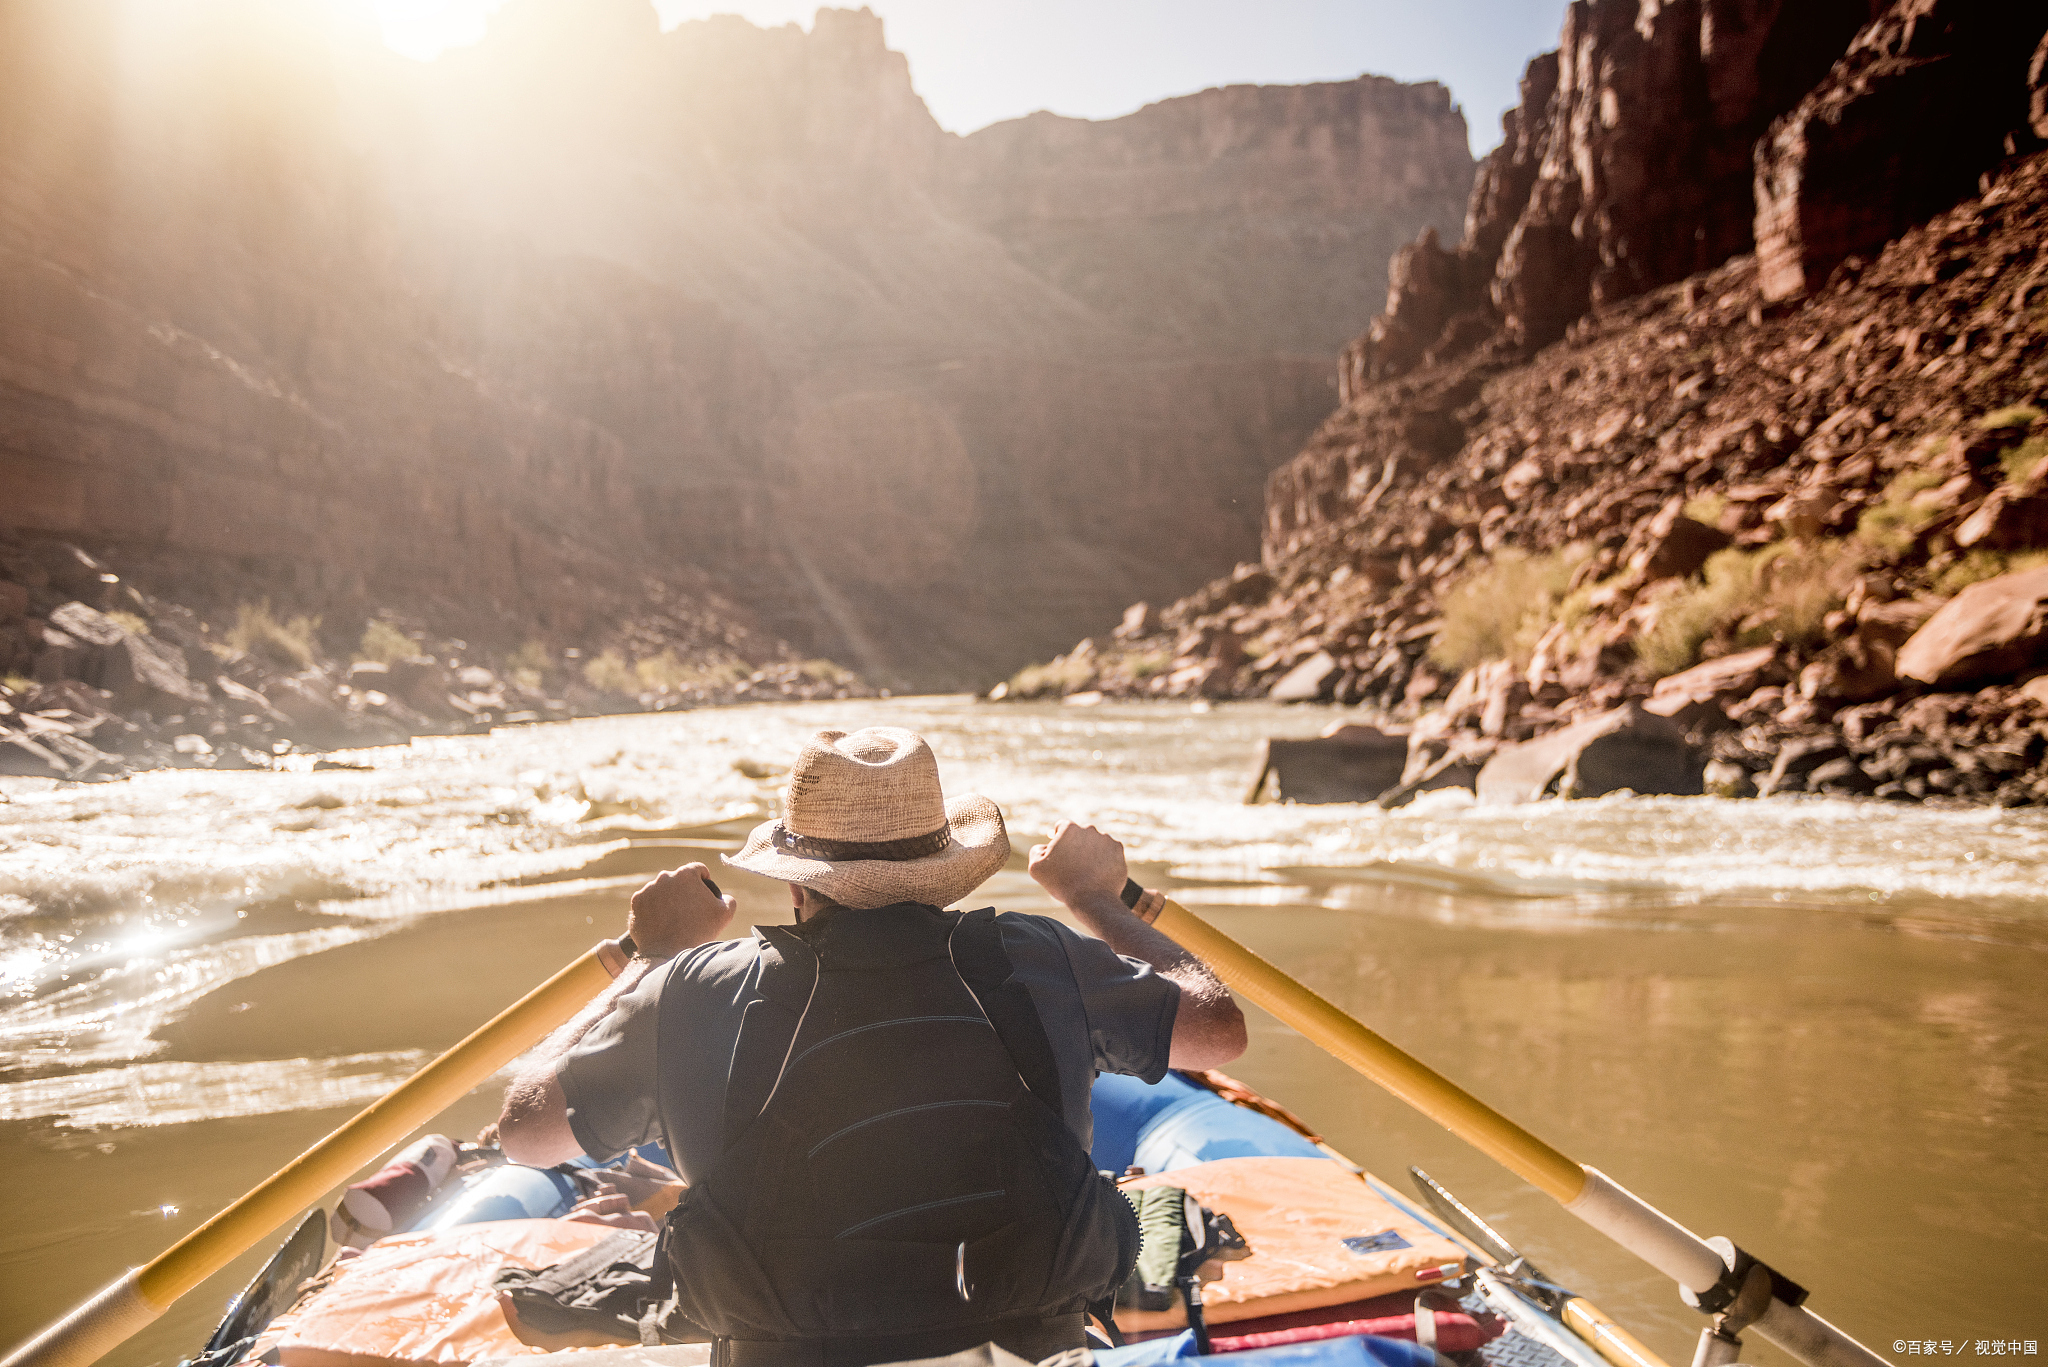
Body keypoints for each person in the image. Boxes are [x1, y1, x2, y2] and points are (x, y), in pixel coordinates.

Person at [497, 725, 1245, 1366]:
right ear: (945, 875)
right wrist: (1096, 899)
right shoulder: (1039, 956)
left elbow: (526, 1133)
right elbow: (1217, 1031)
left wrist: (649, 956)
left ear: (796, 884)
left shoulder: (694, 988)